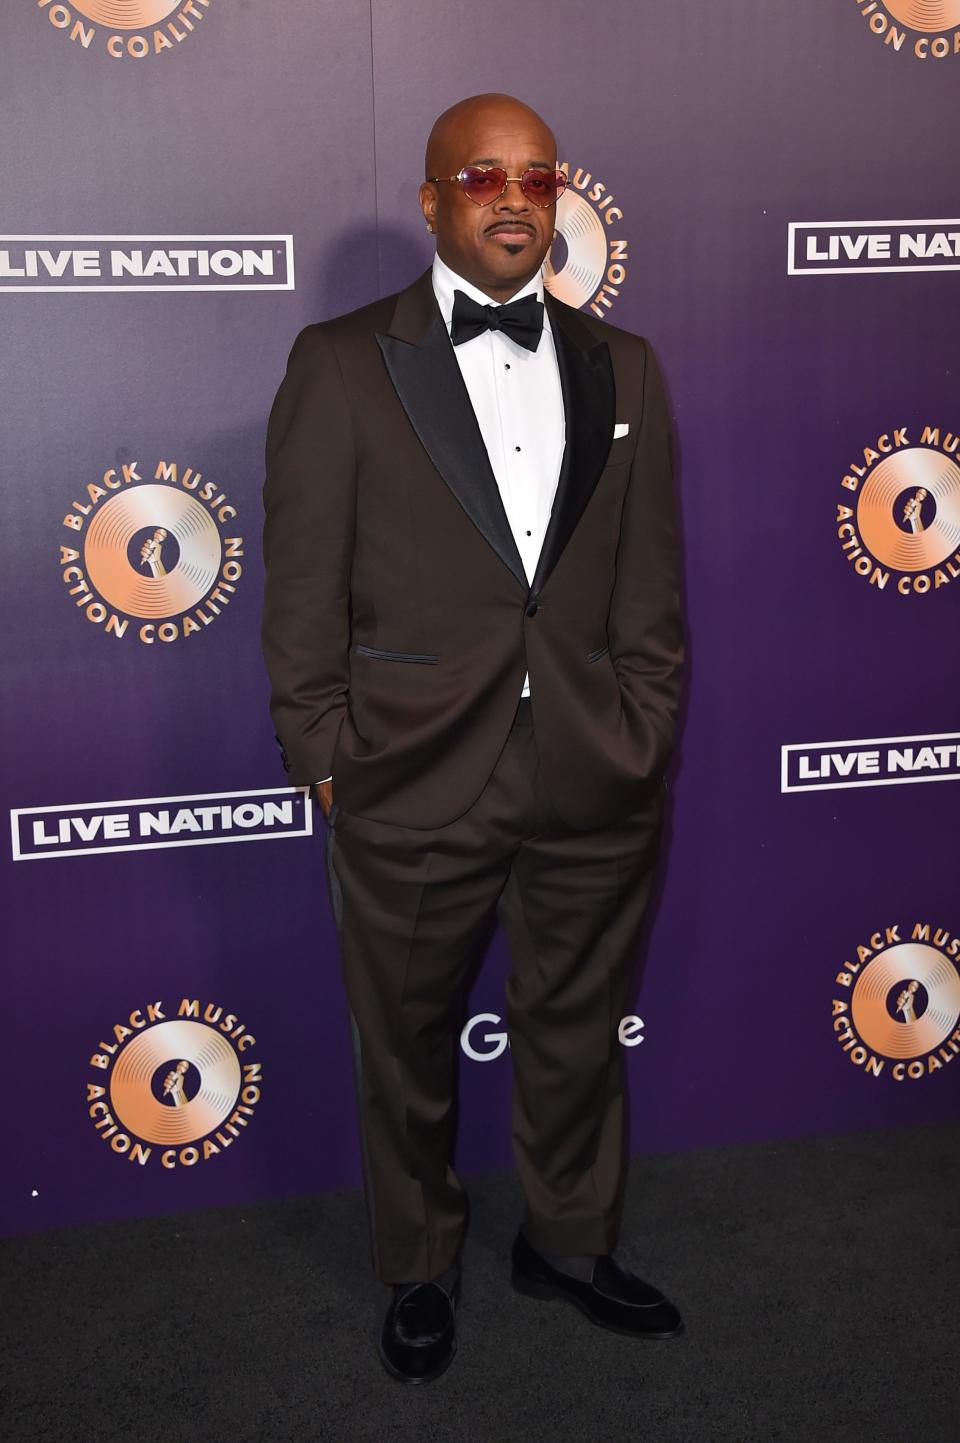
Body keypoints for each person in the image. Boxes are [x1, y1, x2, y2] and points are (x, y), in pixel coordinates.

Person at [261, 92, 685, 1385]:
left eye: (535, 176)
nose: (513, 195)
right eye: (481, 174)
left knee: (576, 1029)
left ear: (555, 199)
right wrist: (327, 758)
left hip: (590, 775)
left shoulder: (631, 365)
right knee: (405, 1050)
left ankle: (565, 1237)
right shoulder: (341, 361)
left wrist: (644, 729)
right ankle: (420, 1262)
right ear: (435, 201)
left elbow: (651, 591)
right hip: (405, 775)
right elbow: (299, 594)